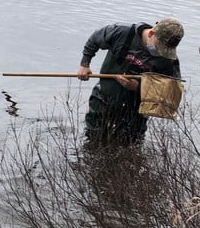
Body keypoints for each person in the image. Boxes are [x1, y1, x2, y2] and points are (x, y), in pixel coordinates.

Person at [76, 17, 184, 146]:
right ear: (151, 33)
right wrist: (84, 64)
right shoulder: (122, 32)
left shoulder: (168, 59)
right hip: (104, 97)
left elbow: (169, 94)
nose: (161, 52)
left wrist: (139, 87)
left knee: (131, 145)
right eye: (159, 47)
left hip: (135, 110)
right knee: (94, 140)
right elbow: (95, 39)